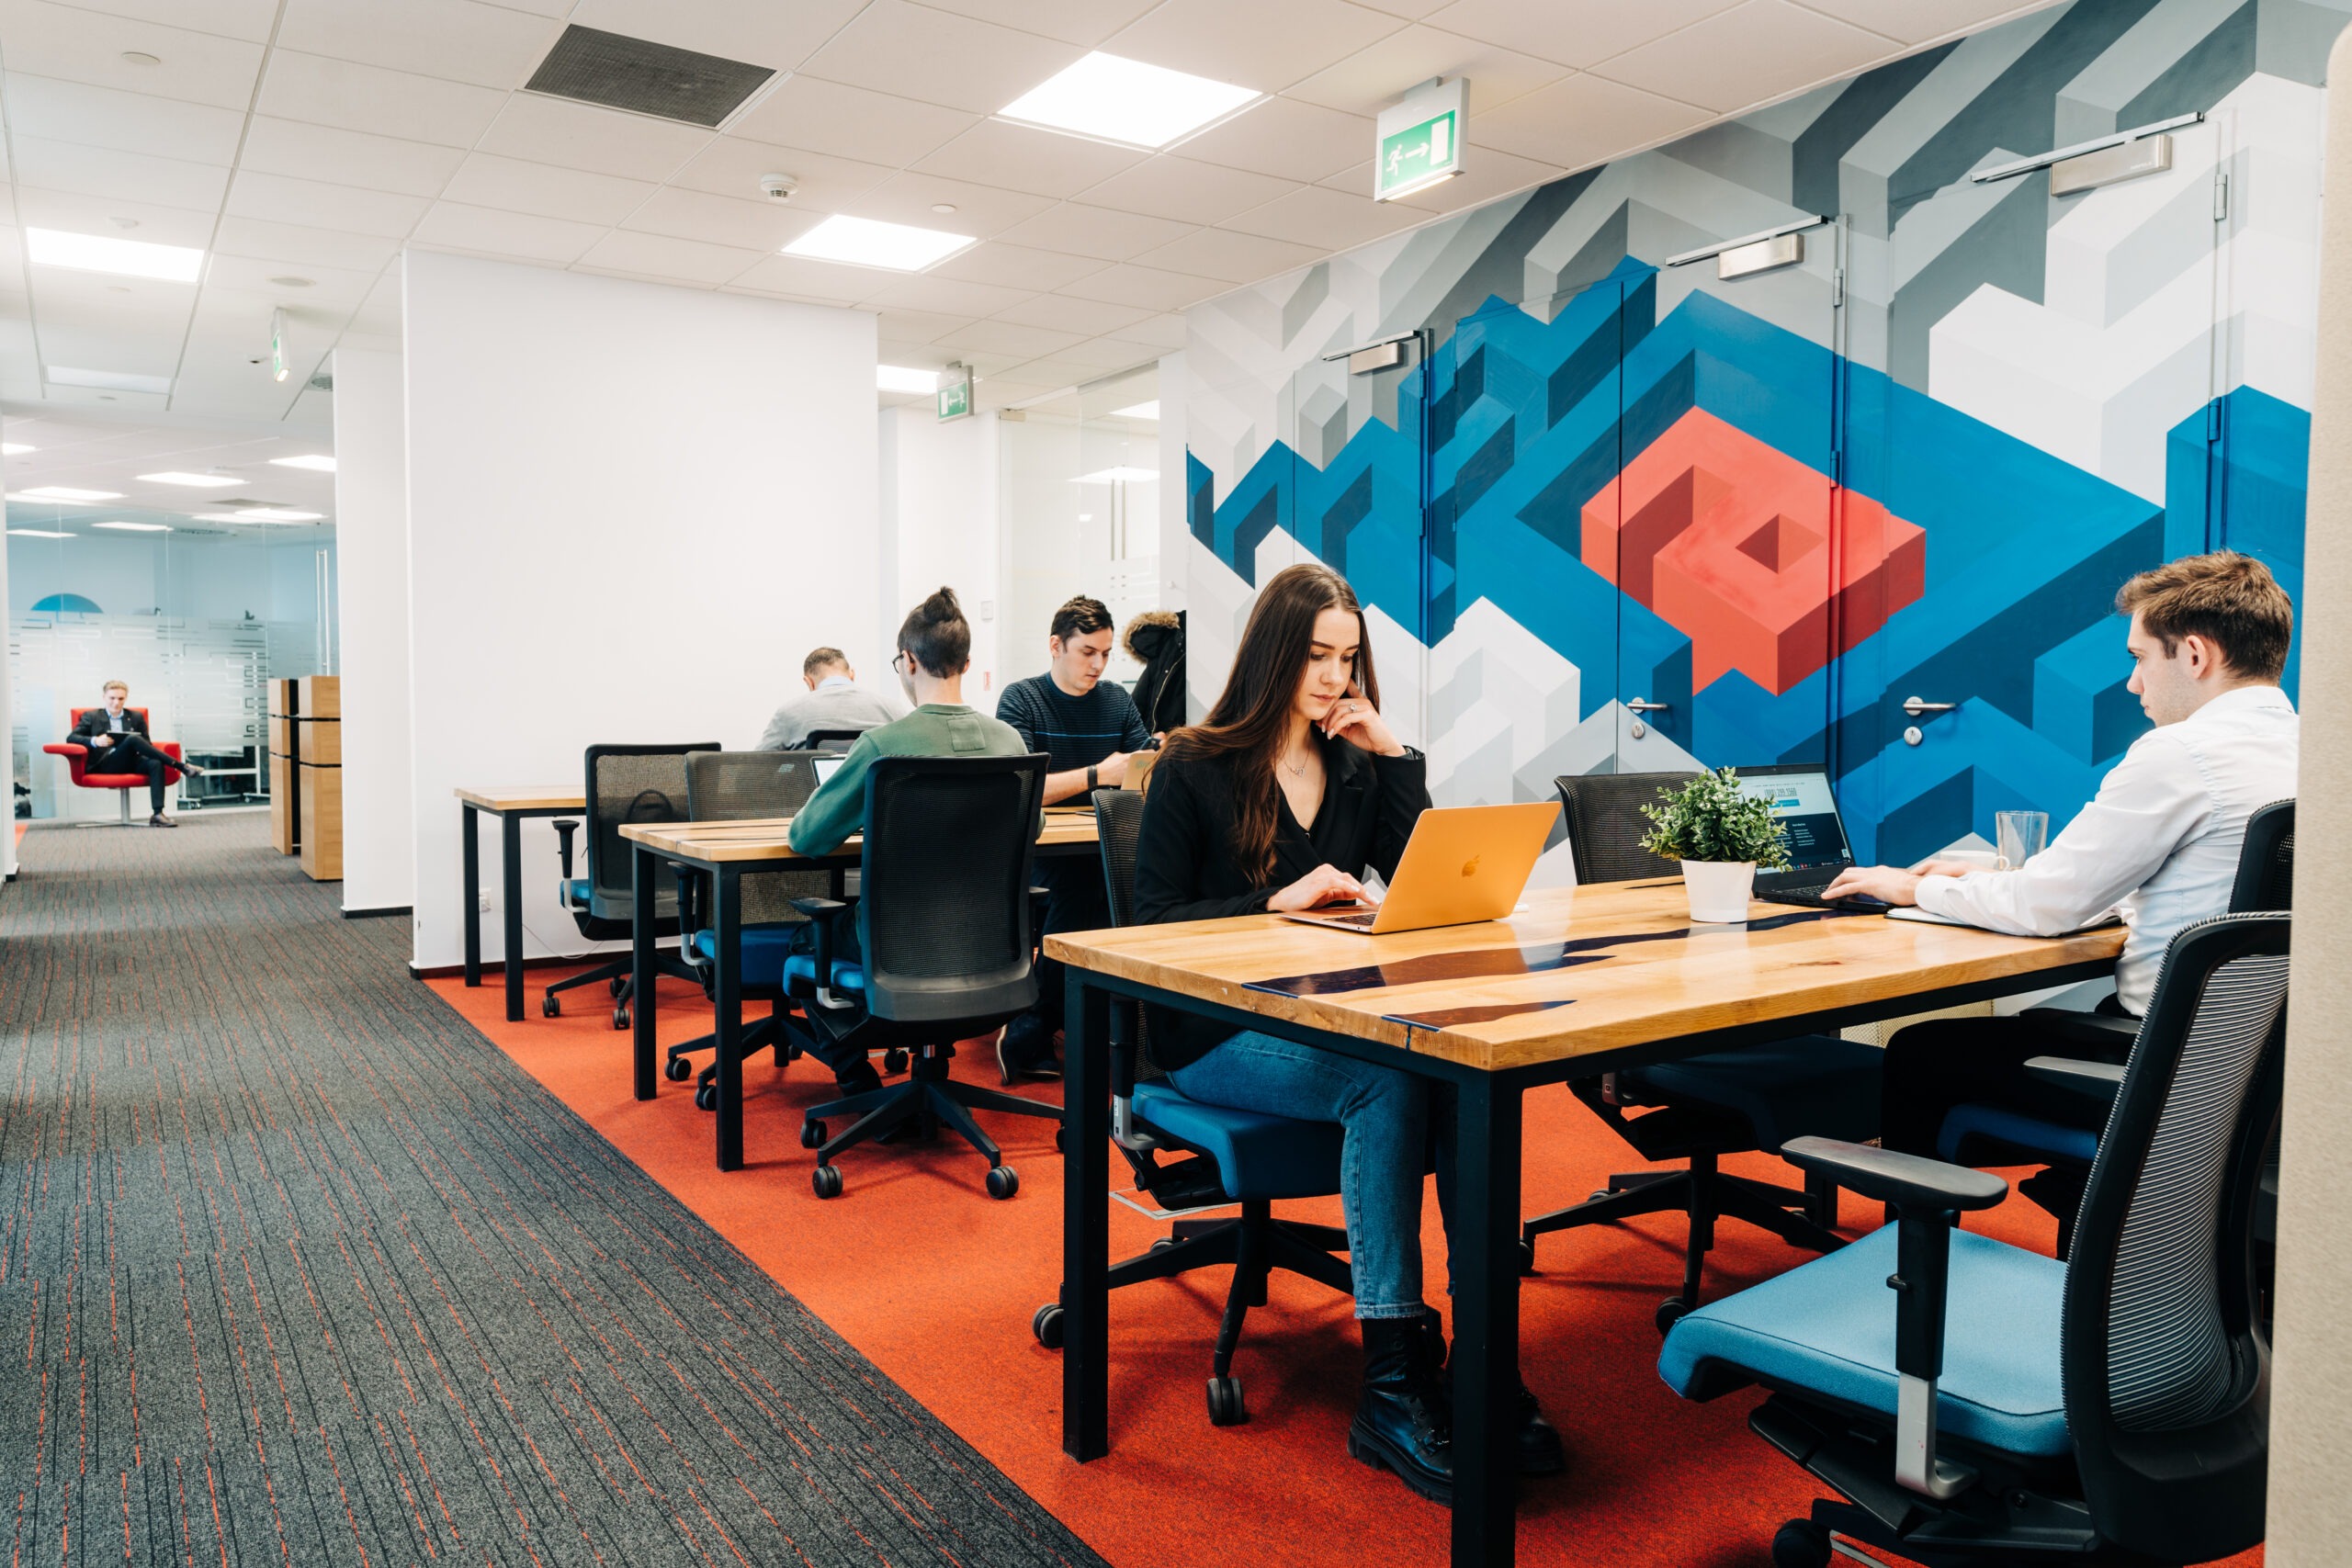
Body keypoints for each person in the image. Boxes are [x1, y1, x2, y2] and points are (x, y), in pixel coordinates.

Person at [1133, 561, 1564, 1504]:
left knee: (1459, 1074)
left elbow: (1423, 880)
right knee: (1389, 1080)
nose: (1335, 678)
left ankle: (1482, 1359)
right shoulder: (1193, 765)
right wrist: (1271, 900)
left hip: (1323, 1015)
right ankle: (1393, 1382)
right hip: (1209, 1031)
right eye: (1317, 657)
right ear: (1274, 654)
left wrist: (1396, 754)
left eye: (1348, 658)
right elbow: (1148, 925)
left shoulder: (1355, 766)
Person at [1824, 549, 2298, 1168]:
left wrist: (1914, 889)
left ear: (2194, 655)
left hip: (2157, 1068)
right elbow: (2198, 881)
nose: (2133, 683)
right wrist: (2004, 878)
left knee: (1922, 1050)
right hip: (2255, 1067)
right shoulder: (2312, 749)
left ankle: (1914, 1226)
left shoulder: (2182, 753)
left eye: (2139, 658)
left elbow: (2048, 908)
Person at [787, 588, 1035, 1096]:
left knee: (804, 940)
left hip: (898, 947)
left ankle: (854, 1074)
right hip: (988, 946)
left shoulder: (885, 744)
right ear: (966, 663)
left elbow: (807, 838)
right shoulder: (1008, 741)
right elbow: (1033, 828)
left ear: (909, 661)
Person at [992, 596, 1151, 1081]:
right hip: (1038, 849)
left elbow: (1144, 769)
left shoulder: (1116, 701)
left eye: (1106, 654)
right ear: (1055, 646)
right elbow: (1020, 788)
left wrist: (1158, 757)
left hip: (1099, 843)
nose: (1099, 665)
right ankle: (1043, 1021)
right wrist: (1097, 774)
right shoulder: (1021, 700)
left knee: (1128, 887)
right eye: (1087, 652)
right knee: (1082, 887)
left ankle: (1063, 1019)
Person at [68, 681, 204, 827]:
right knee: (132, 738)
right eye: (112, 698)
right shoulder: (92, 716)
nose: (116, 703)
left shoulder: (136, 717)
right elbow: (72, 738)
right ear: (104, 697)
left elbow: (147, 743)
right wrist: (95, 740)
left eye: (120, 698)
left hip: (132, 761)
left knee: (155, 762)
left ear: (126, 698)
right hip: (106, 763)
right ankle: (182, 766)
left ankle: (158, 814)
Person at [755, 647, 904, 750]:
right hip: (874, 789)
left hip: (816, 789)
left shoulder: (788, 712)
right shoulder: (892, 709)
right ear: (852, 675)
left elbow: (758, 765)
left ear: (809, 682)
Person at [1123, 608, 1186, 736]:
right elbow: (1137, 704)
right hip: (1159, 738)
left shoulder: (1171, 644)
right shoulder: (1167, 645)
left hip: (1168, 737)